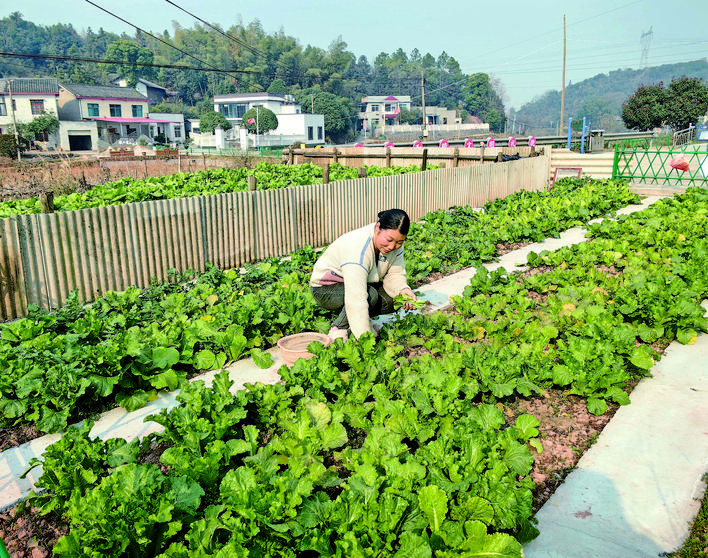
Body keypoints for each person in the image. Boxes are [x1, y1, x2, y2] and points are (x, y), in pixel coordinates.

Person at [310, 208, 418, 341]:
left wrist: (403, 290)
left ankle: (357, 320)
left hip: (359, 283)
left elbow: (395, 273)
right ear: (378, 228)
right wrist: (365, 338)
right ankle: (338, 329)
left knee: (393, 300)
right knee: (370, 295)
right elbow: (356, 297)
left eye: (399, 242)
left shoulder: (395, 244)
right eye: (389, 240)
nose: (392, 246)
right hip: (326, 289)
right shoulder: (358, 246)